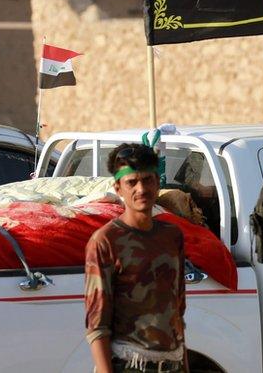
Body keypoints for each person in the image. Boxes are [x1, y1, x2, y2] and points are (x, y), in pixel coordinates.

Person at [85, 144, 187, 373]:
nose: (141, 188)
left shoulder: (172, 236)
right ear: (118, 188)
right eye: (132, 182)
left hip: (172, 363)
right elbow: (97, 326)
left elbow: (178, 312)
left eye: (148, 180)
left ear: (158, 183)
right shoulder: (105, 241)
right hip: (129, 365)